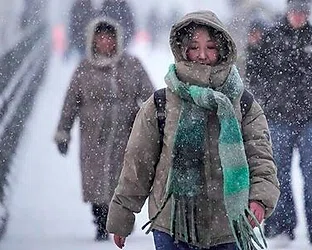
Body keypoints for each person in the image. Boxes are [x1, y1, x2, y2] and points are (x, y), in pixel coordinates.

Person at [106, 10, 280, 250]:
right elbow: (138, 163)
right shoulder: (160, 103)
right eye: (194, 47)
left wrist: (259, 198)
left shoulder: (243, 104)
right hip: (172, 226)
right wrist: (122, 214)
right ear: (182, 49)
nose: (202, 55)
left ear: (223, 50)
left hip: (228, 226)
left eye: (210, 47)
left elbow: (260, 158)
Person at [246, 0, 312, 248]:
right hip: (278, 120)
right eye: (295, 10)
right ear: (288, 11)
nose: (299, 16)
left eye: (303, 11)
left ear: (309, 12)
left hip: (310, 120)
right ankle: (280, 227)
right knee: (279, 176)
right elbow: (254, 72)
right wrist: (269, 98)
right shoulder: (271, 38)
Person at [54, 17, 154, 241]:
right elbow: (70, 103)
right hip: (94, 136)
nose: (105, 42)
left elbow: (150, 96)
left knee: (123, 180)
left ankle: (120, 220)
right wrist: (63, 132)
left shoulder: (132, 65)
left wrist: (154, 121)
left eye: (109, 38)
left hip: (125, 135)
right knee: (96, 180)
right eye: (100, 38)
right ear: (93, 41)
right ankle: (100, 221)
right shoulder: (84, 69)